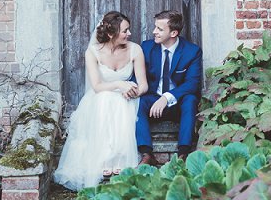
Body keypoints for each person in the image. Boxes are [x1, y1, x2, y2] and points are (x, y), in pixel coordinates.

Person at [54, 11, 148, 190]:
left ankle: (119, 158)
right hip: (101, 96)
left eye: (128, 30)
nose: (129, 34)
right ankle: (105, 158)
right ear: (111, 34)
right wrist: (120, 84)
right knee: (105, 98)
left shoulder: (135, 49)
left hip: (127, 98)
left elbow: (143, 85)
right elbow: (97, 86)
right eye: (125, 31)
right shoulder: (93, 52)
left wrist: (133, 92)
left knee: (120, 101)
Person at [136, 10, 202, 165]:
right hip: (152, 99)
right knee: (137, 102)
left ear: (173, 33)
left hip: (176, 102)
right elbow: (137, 77)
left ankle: (183, 153)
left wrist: (166, 97)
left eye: (159, 29)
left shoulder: (191, 52)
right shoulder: (146, 48)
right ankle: (146, 154)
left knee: (190, 99)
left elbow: (192, 84)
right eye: (155, 27)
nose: (154, 32)